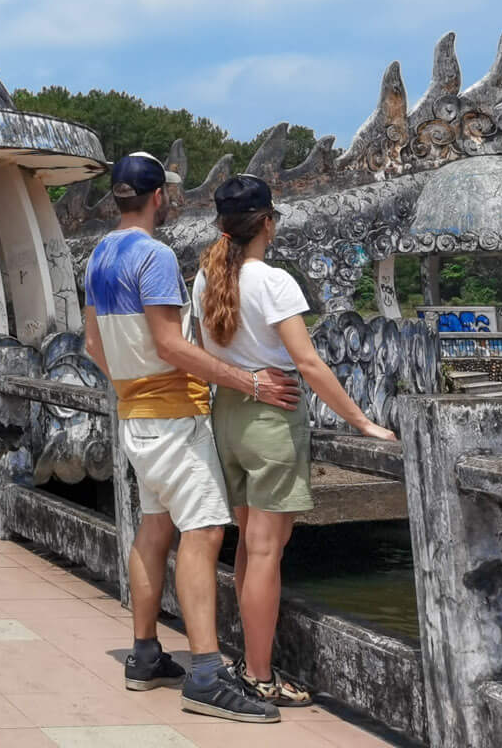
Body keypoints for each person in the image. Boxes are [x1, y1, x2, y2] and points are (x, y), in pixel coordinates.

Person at [83, 151, 300, 726]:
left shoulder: (99, 255)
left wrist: (132, 387)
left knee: (155, 529)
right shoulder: (152, 256)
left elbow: (92, 346)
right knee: (203, 531)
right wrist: (248, 380)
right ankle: (206, 672)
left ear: (117, 197)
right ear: (160, 197)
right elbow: (174, 345)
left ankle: (145, 653)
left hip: (135, 414)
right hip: (174, 415)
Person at [191, 173, 397, 709]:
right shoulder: (274, 281)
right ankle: (259, 675)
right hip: (272, 417)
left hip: (228, 416)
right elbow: (307, 363)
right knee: (265, 552)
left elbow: (203, 353)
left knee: (248, 548)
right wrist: (361, 421)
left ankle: (247, 660)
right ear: (266, 223)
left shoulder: (206, 278)